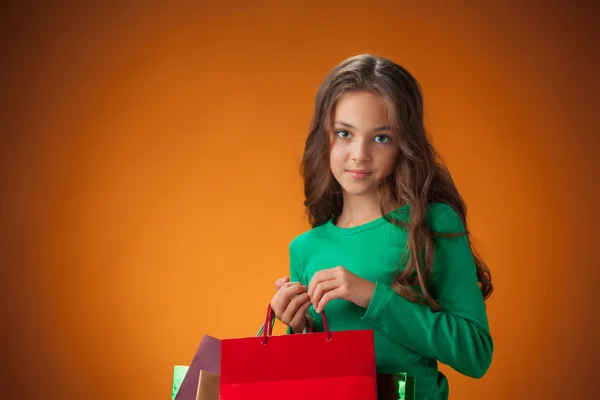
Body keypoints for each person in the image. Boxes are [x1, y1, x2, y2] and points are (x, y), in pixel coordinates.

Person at [269, 54, 494, 399]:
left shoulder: (432, 223)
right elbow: (310, 378)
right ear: (324, 138)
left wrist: (373, 296)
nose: (359, 154)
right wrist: (297, 327)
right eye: (344, 133)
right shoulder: (305, 248)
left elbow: (474, 353)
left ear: (404, 144)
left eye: (380, 138)